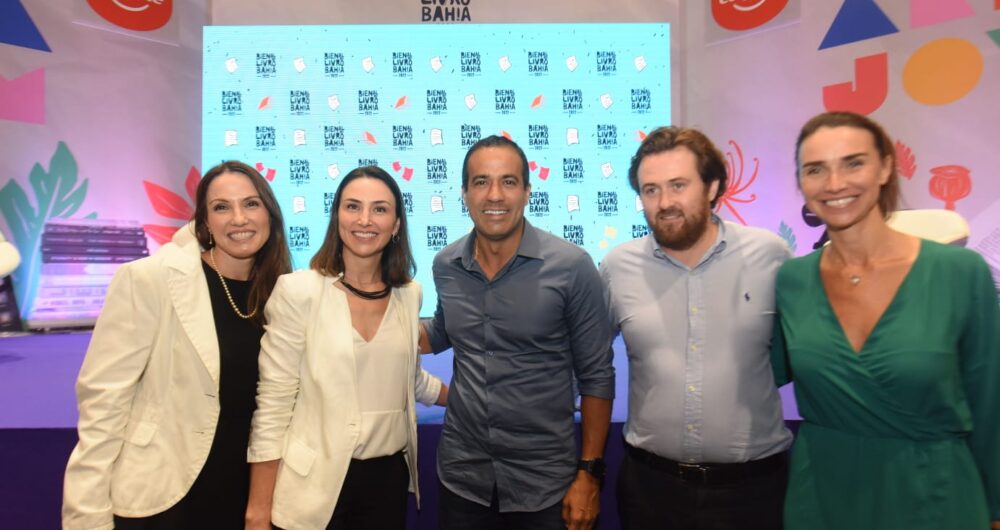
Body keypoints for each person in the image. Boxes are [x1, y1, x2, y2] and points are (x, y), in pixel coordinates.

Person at [772, 111, 1000, 530]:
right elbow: (764, 371)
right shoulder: (792, 279)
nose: (835, 183)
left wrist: (996, 508)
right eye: (816, 169)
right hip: (823, 497)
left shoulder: (959, 272)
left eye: (853, 163)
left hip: (936, 496)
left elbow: (991, 404)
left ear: (886, 168)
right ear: (802, 184)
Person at [62, 161, 293, 529]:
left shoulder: (283, 292)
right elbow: (103, 403)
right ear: (204, 221)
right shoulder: (150, 279)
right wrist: (86, 517)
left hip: (246, 495)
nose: (238, 218)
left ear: (270, 213)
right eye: (221, 207)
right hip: (166, 495)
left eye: (251, 204)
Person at [600, 126, 792, 530]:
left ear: (712, 186)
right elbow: (589, 364)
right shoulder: (618, 267)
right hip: (651, 491)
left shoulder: (770, 256)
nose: (664, 202)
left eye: (678, 185)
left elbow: (800, 355)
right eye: (650, 190)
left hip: (754, 492)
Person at [419, 135, 615, 530]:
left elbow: (597, 376)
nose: (495, 195)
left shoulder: (572, 267)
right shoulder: (446, 265)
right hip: (463, 479)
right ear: (464, 193)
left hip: (544, 483)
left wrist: (589, 474)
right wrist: (367, 316)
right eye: (481, 182)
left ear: (527, 192)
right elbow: (444, 330)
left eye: (509, 182)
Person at [244, 166, 447, 530]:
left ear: (397, 224)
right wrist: (258, 511)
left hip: (387, 482)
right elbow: (273, 406)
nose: (365, 220)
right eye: (353, 207)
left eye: (380, 209)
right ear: (337, 216)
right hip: (315, 486)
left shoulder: (408, 295)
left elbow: (409, 381)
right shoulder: (299, 292)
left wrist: (475, 398)